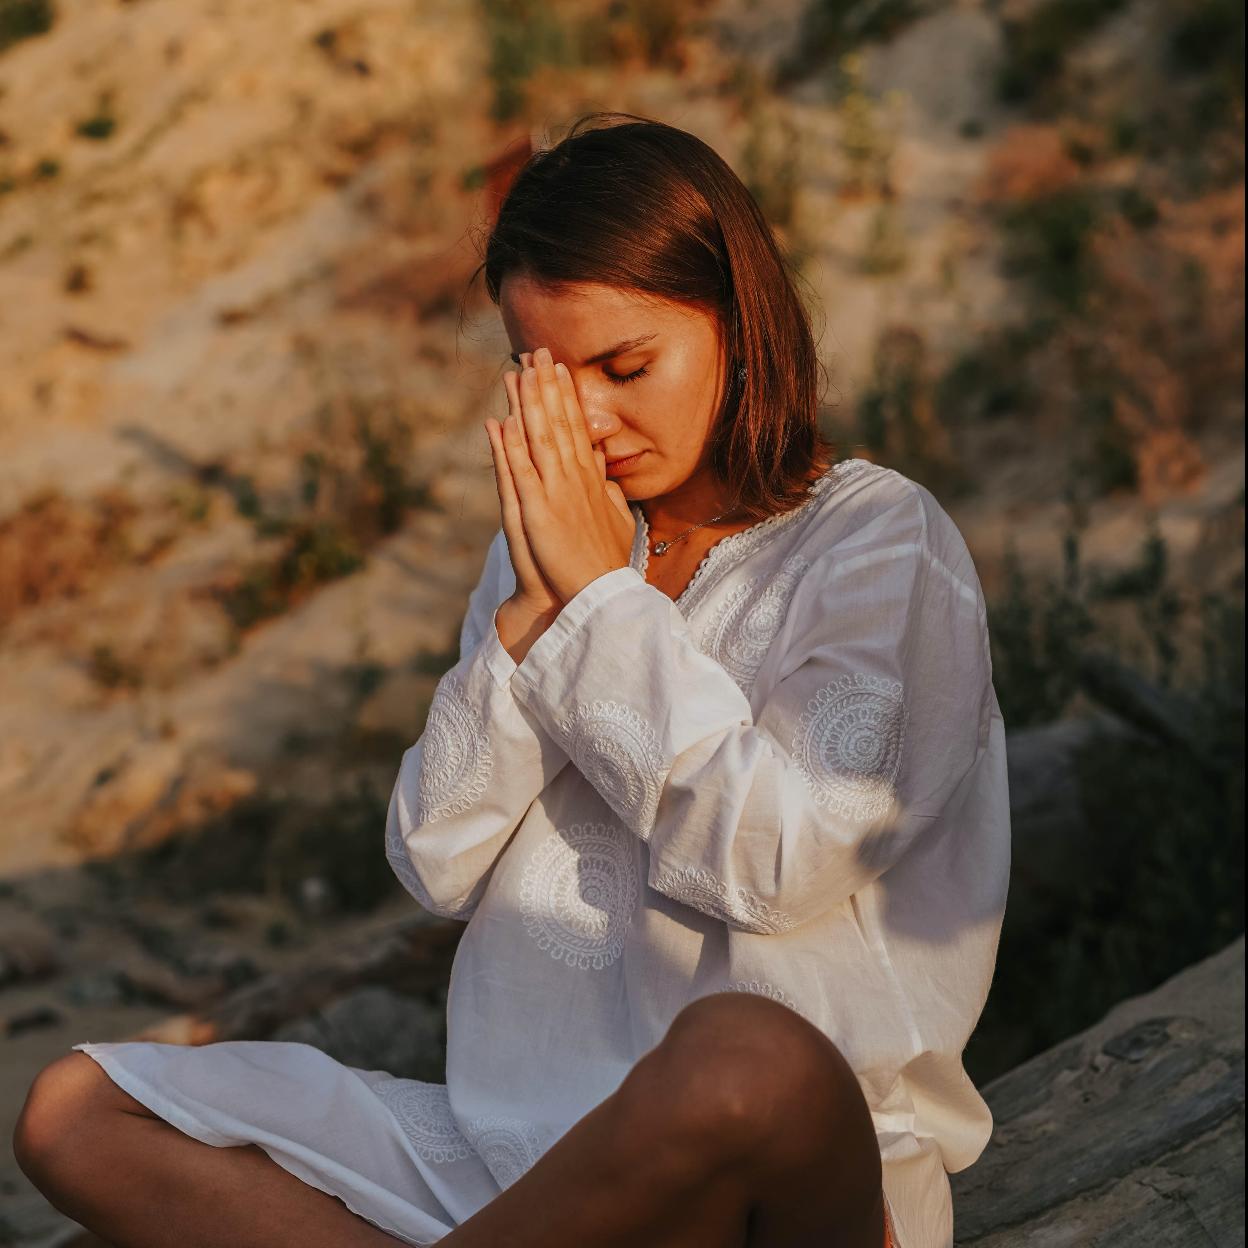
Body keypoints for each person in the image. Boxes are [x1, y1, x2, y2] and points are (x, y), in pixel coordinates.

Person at [13, 113, 1010, 1248]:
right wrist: (539, 612)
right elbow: (435, 859)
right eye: (547, 376)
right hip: (512, 1162)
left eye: (625, 366)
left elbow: (780, 863)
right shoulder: (556, 541)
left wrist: (595, 607)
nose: (588, 419)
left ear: (740, 320)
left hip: (779, 1180)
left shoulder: (880, 544)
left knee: (748, 1058)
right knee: (76, 1113)